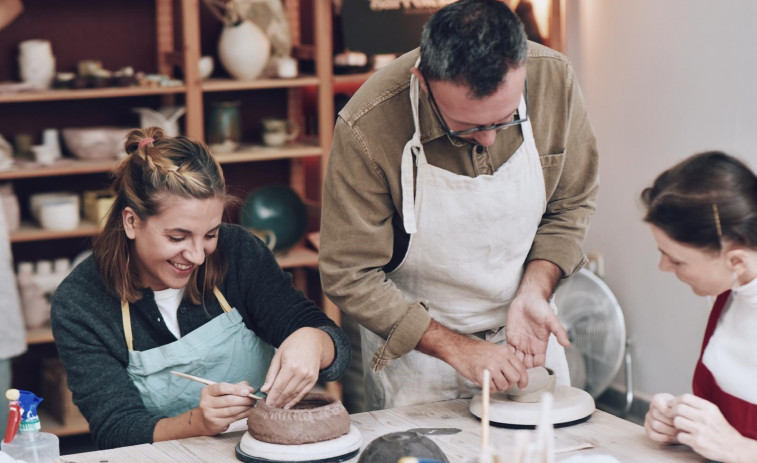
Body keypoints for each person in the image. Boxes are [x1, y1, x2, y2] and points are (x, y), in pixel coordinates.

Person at [319, 0, 598, 410]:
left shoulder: (552, 80)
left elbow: (571, 205)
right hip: (419, 353)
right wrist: (455, 347)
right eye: (468, 127)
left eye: (503, 121)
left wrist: (536, 289)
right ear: (423, 80)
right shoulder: (368, 125)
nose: (488, 138)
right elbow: (348, 272)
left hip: (526, 333)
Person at [51, 127, 350, 449]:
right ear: (131, 222)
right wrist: (198, 423)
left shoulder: (237, 252)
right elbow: (115, 429)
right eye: (177, 237)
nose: (196, 256)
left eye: (210, 234)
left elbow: (335, 350)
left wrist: (313, 341)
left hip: (267, 447)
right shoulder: (81, 302)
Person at [641, 151, 757, 462]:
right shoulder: (727, 296)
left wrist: (742, 450)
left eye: (676, 260)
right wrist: (683, 425)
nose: (663, 267)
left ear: (735, 260)